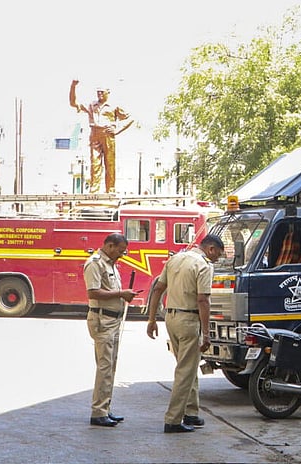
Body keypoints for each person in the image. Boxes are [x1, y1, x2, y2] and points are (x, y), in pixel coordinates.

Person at [146, 235, 224, 434]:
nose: (217, 259)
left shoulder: (176, 258)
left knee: (188, 366)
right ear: (211, 249)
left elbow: (158, 288)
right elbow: (203, 300)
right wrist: (207, 333)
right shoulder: (204, 265)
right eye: (218, 255)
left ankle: (191, 412)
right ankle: (173, 420)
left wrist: (152, 319)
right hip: (189, 320)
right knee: (185, 371)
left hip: (171, 318)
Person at [83, 234, 140, 427]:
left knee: (110, 366)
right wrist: (121, 294)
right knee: (105, 366)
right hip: (103, 320)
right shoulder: (95, 263)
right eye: (120, 250)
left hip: (113, 320)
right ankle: (98, 412)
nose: (122, 254)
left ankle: (104, 407)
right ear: (109, 246)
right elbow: (93, 292)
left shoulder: (111, 264)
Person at [69, 80, 134, 193]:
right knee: (95, 163)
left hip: (108, 135)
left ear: (108, 92)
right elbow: (73, 103)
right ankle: (94, 190)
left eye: (102, 91)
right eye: (98, 92)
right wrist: (73, 86)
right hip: (95, 134)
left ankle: (110, 189)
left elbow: (130, 118)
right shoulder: (91, 105)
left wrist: (118, 130)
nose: (99, 94)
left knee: (110, 163)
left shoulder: (114, 106)